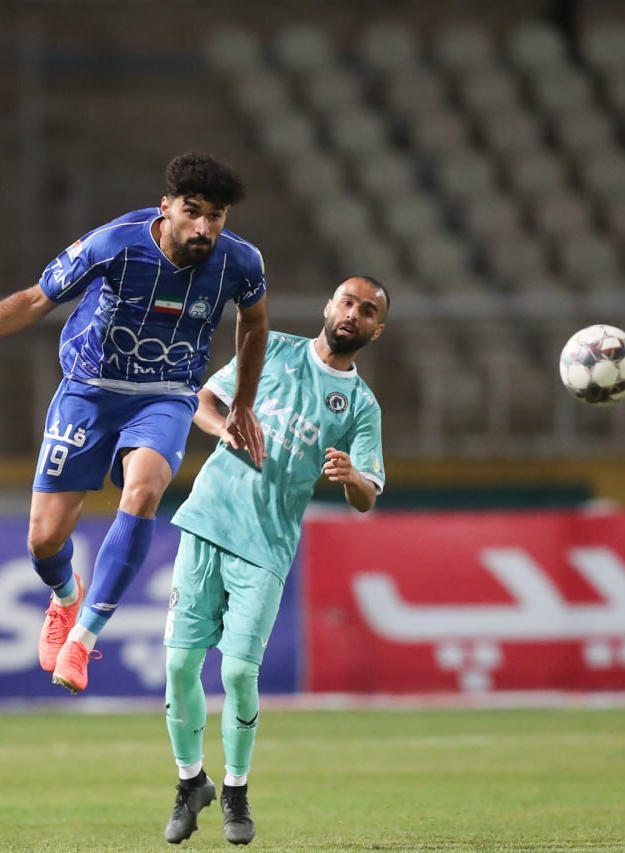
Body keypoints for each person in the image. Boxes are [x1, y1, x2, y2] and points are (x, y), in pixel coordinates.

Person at [0, 152, 269, 693]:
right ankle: (65, 597)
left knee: (144, 490)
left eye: (216, 216)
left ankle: (83, 639)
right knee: (44, 540)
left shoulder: (241, 263)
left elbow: (255, 323)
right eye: (193, 212)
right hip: (89, 392)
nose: (204, 227)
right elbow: (35, 299)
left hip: (165, 395)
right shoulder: (114, 244)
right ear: (166, 208)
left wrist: (243, 403)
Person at [161, 276, 390, 845]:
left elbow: (367, 496)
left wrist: (351, 477)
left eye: (367, 311)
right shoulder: (272, 351)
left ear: (376, 330)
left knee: (238, 672)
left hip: (266, 545)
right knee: (180, 665)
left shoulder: (361, 406)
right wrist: (226, 430)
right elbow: (202, 402)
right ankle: (190, 782)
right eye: (347, 302)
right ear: (328, 305)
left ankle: (235, 792)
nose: (353, 314)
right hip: (207, 519)